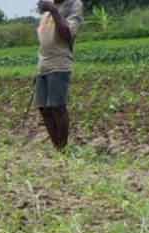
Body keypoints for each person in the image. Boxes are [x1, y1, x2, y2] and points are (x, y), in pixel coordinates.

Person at [35, 0, 83, 150]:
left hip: (59, 63)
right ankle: (58, 148)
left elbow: (68, 35)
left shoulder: (74, 4)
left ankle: (63, 148)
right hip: (43, 64)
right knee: (43, 108)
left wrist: (54, 11)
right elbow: (45, 40)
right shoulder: (49, 6)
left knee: (57, 106)